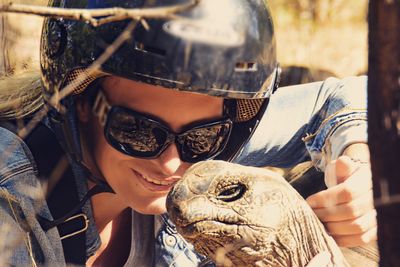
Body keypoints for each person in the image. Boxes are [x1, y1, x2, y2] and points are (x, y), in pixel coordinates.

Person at [0, 0, 375, 266]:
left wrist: (355, 166)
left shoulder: (207, 149)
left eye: (201, 137)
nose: (171, 163)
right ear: (79, 100)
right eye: (138, 132)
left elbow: (346, 95)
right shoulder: (10, 194)